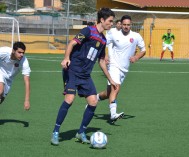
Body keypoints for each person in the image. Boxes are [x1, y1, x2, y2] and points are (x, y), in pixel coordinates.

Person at [51, 7, 117, 146]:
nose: (111, 24)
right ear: (102, 20)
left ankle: (81, 132)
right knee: (69, 99)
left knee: (93, 101)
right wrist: (66, 58)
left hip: (85, 75)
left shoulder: (103, 40)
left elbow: (101, 61)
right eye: (110, 21)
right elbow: (72, 43)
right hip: (73, 70)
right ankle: (56, 132)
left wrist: (110, 79)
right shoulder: (88, 31)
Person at [97, 15, 146, 123]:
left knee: (108, 93)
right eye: (124, 24)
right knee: (116, 87)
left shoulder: (136, 36)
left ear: (131, 25)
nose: (126, 27)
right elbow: (104, 43)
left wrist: (136, 57)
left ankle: (94, 99)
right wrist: (105, 55)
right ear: (121, 24)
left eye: (128, 25)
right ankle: (113, 114)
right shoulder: (114, 34)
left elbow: (143, 50)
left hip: (124, 68)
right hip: (114, 65)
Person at [0, 41, 31, 110]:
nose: (21, 55)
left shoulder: (24, 61)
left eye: (23, 53)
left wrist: (27, 100)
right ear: (13, 51)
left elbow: (27, 81)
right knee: (0, 90)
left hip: (9, 79)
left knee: (1, 99)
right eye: (19, 52)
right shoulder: (3, 51)